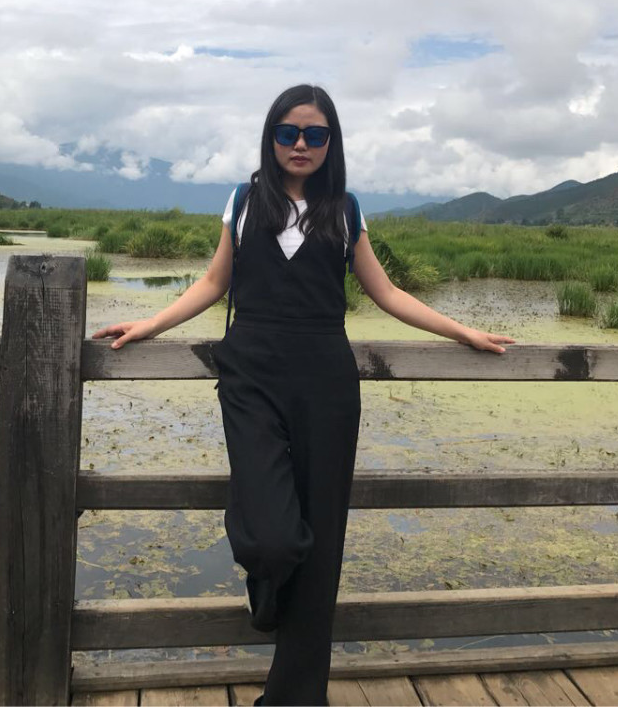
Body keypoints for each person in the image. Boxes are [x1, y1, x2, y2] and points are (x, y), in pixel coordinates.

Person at [92, 83, 515, 706]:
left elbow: (386, 293)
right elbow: (213, 282)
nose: (300, 145)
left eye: (315, 135)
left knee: (323, 551)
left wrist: (463, 331)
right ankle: (267, 597)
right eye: (288, 132)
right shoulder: (244, 200)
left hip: (326, 384)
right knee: (274, 538)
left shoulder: (344, 209)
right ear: (271, 136)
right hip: (250, 377)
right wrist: (150, 323)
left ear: (330, 143)